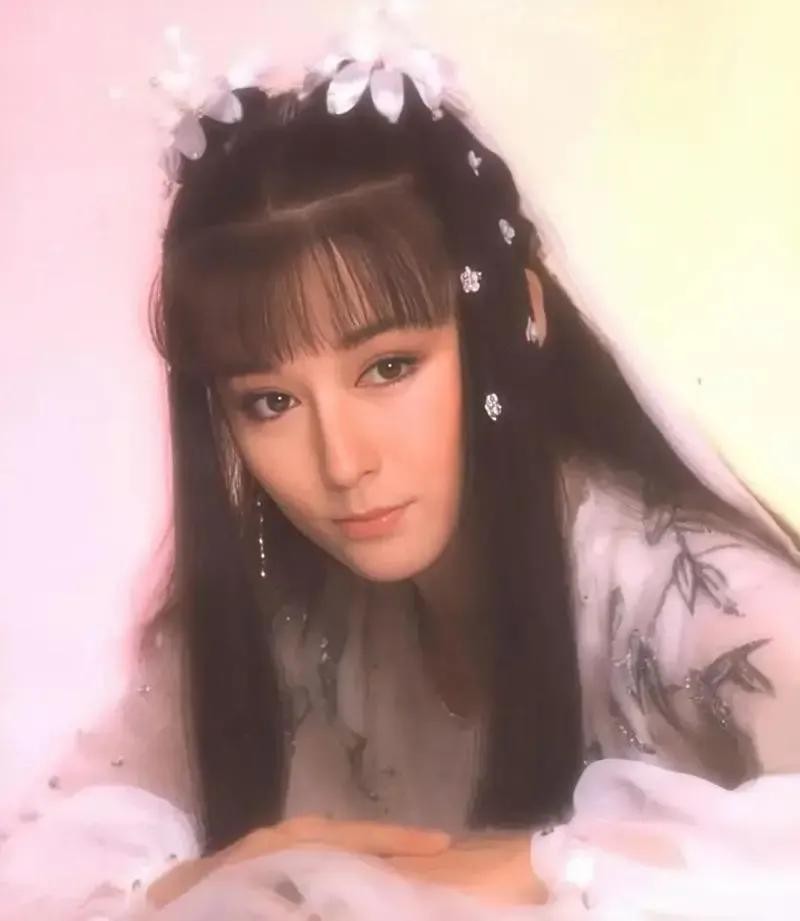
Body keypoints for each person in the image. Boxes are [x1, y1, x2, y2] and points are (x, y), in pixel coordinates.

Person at [3, 36, 800, 921]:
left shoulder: (681, 593)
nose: (343, 463)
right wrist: (186, 887)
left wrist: (552, 869)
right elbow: (38, 859)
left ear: (519, 313)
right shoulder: (289, 608)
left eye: (388, 368)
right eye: (270, 401)